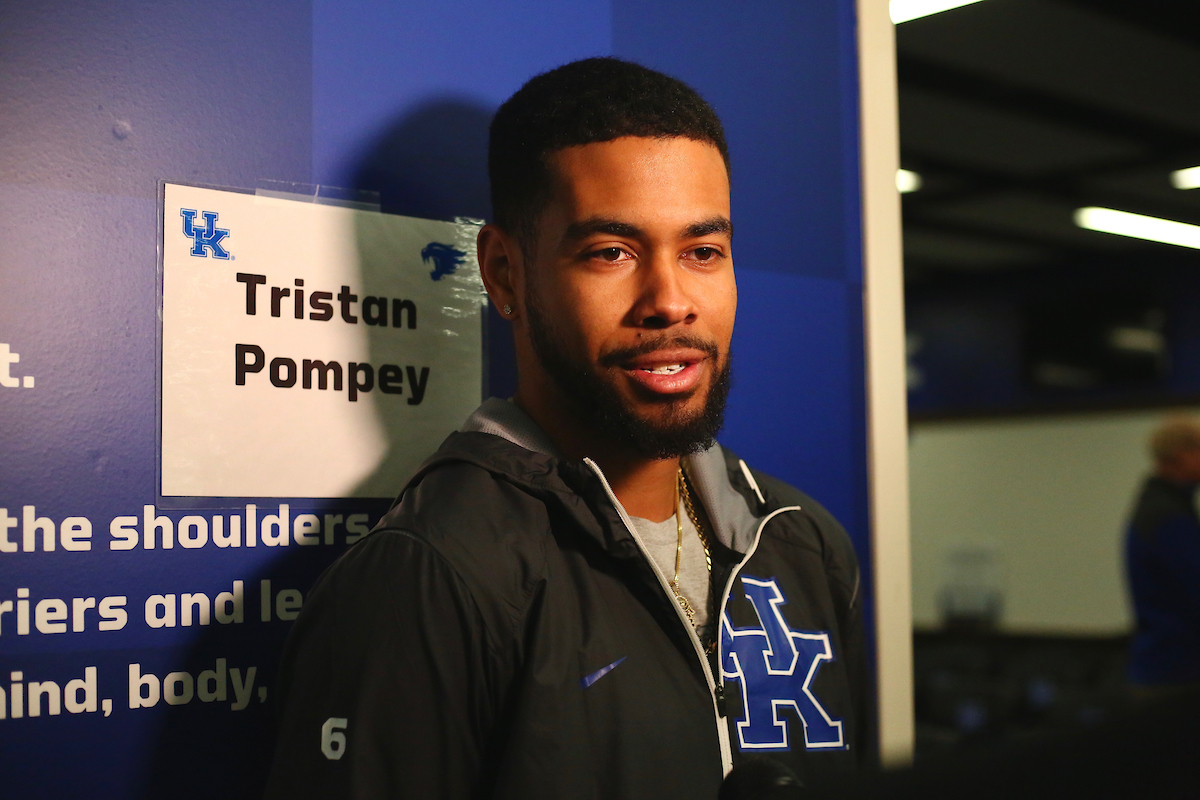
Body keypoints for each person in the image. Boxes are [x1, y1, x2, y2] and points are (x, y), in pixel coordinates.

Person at [264, 57, 866, 800]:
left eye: (702, 252)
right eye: (611, 252)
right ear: (506, 275)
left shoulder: (803, 542)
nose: (671, 301)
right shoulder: (432, 574)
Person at [1125, 418, 1200, 690]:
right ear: (1182, 456)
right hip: (1174, 673)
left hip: (1163, 666)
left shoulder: (1161, 507)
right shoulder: (1167, 517)